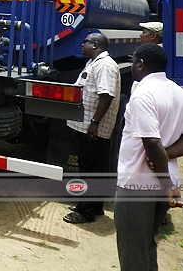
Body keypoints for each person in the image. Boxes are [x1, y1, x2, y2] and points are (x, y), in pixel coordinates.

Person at [115, 44, 183, 271]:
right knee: (147, 243)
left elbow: (151, 142)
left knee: (133, 252)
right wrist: (168, 157)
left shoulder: (143, 94)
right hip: (164, 182)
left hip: (137, 185)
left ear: (140, 64)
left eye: (133, 62)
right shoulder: (180, 93)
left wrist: (167, 183)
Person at [64, 32, 121, 224]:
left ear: (95, 44)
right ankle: (94, 206)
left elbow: (107, 96)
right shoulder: (95, 62)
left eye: (85, 42)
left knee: (90, 169)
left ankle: (85, 212)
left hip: (93, 128)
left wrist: (94, 123)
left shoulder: (105, 65)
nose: (82, 45)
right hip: (86, 125)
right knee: (94, 167)